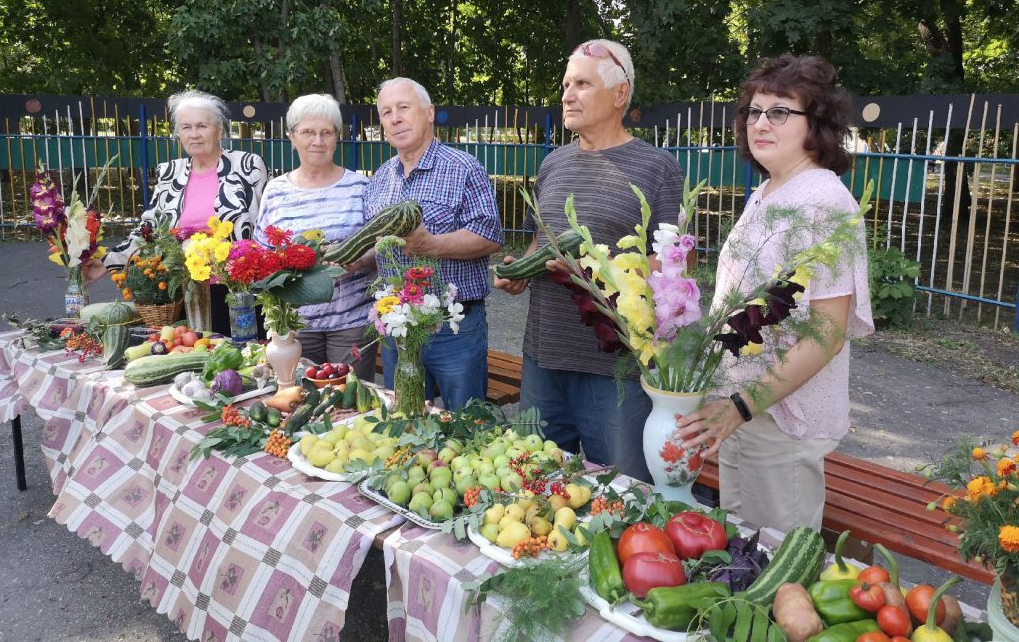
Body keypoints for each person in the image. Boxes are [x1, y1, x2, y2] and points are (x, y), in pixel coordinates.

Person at [675, 54, 874, 532]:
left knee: (774, 563)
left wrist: (742, 405)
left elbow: (827, 334)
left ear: (817, 124)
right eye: (754, 111)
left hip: (781, 420)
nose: (760, 123)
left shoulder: (823, 202)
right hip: (743, 411)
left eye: (780, 112)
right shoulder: (767, 193)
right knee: (739, 550)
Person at [494, 39, 686, 482]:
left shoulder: (657, 167)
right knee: (535, 484)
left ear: (620, 94)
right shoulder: (553, 163)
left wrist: (592, 274)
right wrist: (521, 272)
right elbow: (540, 243)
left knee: (621, 491)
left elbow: (671, 270)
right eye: (566, 84)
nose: (567, 95)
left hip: (613, 370)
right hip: (543, 358)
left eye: (582, 84)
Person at [364, 77, 503, 411]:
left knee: (465, 422)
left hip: (454, 329)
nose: (395, 118)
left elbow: (490, 235)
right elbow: (374, 244)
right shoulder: (380, 178)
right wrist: (350, 258)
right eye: (386, 112)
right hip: (398, 327)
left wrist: (430, 245)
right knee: (404, 421)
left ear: (429, 113)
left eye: (403, 107)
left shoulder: (463, 167)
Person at [93, 90, 269, 334]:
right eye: (186, 127)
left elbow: (266, 221)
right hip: (184, 289)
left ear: (219, 130)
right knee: (191, 351)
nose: (194, 134)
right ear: (178, 133)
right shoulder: (169, 173)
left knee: (239, 351)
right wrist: (106, 263)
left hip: (237, 287)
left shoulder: (247, 166)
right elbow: (150, 229)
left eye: (202, 126)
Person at [253, 94, 376, 380]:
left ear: (337, 137)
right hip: (295, 324)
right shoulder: (276, 190)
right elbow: (263, 254)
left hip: (352, 323)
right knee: (297, 396)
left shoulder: (361, 187)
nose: (317, 141)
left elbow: (380, 247)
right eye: (308, 132)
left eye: (326, 132)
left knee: (350, 397)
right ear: (292, 136)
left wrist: (358, 261)